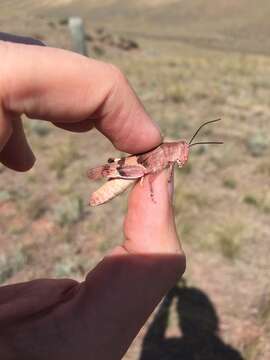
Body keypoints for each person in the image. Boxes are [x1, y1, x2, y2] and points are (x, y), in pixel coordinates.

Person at [0, 35, 186, 359]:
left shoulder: (169, 158)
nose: (182, 156)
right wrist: (153, 183)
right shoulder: (160, 156)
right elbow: (150, 168)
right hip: (124, 172)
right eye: (182, 151)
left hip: (135, 171)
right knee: (144, 172)